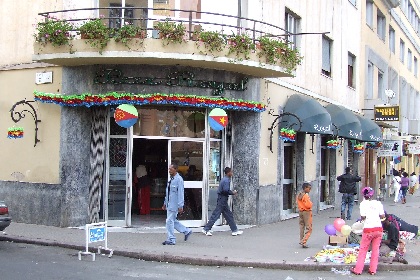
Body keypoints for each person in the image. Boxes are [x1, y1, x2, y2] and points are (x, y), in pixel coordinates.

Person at [350, 187, 385, 276]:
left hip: (368, 229)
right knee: (375, 250)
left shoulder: (363, 204)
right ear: (372, 194)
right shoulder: (378, 203)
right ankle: (373, 270)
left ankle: (358, 270)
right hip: (378, 229)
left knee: (363, 249)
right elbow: (382, 215)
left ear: (363, 195)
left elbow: (363, 216)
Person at [202, 167, 243, 236]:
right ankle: (206, 229)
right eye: (231, 172)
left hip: (222, 200)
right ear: (228, 173)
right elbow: (225, 190)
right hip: (222, 200)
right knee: (216, 215)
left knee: (228, 215)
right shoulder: (226, 180)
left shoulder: (224, 179)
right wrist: (232, 193)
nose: (232, 173)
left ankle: (234, 230)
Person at [161, 163, 192, 245]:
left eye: (170, 169)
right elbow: (168, 193)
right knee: (173, 221)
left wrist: (180, 205)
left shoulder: (179, 180)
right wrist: (165, 203)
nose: (169, 170)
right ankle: (186, 231)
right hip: (169, 204)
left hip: (174, 205)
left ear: (175, 169)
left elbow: (180, 193)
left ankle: (171, 239)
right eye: (169, 169)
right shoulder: (171, 179)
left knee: (169, 221)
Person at [296, 182, 313, 248]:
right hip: (307, 212)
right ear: (305, 188)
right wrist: (311, 204)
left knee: (301, 226)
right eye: (309, 188)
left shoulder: (299, 195)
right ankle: (304, 241)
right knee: (309, 228)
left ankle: (301, 240)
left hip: (301, 211)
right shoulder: (306, 196)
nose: (309, 190)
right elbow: (308, 205)